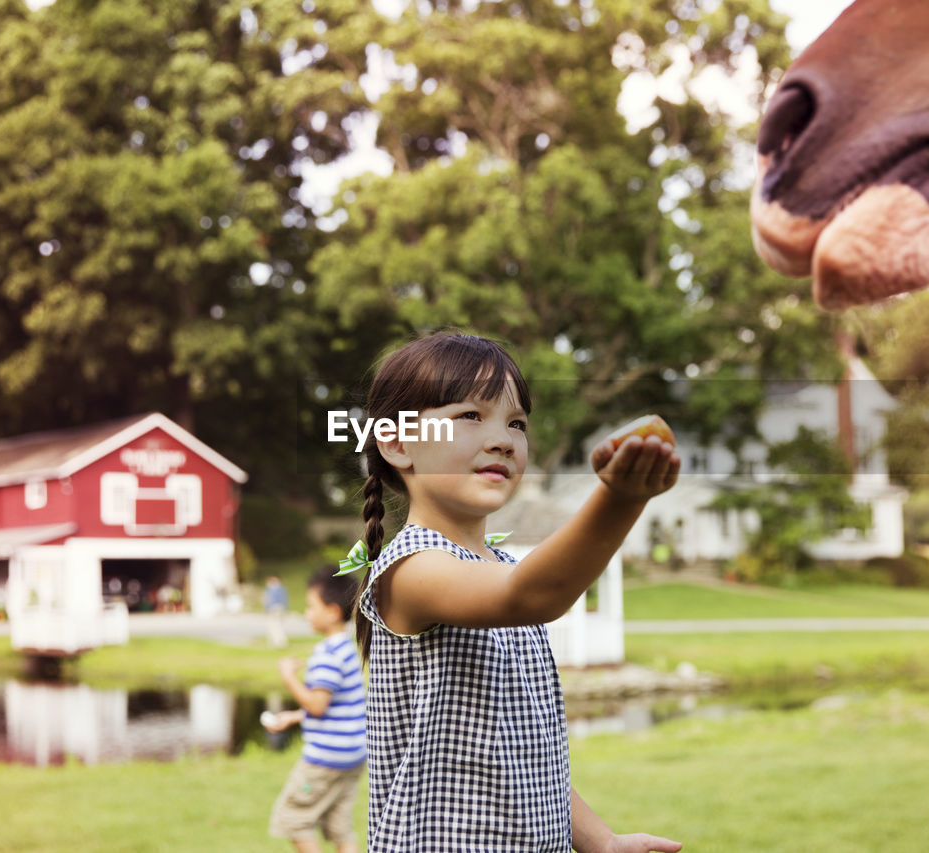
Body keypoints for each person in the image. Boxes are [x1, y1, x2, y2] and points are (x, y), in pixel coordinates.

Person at [341, 331, 683, 852]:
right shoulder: (414, 569)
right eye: (470, 416)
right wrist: (619, 500)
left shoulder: (496, 564)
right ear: (397, 442)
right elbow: (532, 595)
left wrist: (601, 842)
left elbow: (526, 757)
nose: (503, 438)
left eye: (516, 423)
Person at [264, 565, 367, 853]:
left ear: (332, 611)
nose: (306, 613)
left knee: (294, 819)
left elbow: (318, 706)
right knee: (338, 825)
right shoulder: (347, 648)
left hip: (326, 759)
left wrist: (288, 678)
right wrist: (293, 717)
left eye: (311, 607)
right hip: (353, 756)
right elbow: (338, 706)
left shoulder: (326, 654)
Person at [263, 575, 290, 647]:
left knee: (276, 625)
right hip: (278, 609)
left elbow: (269, 601)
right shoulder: (280, 589)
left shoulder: (273, 589)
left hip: (275, 609)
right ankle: (277, 641)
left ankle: (279, 642)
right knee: (277, 625)